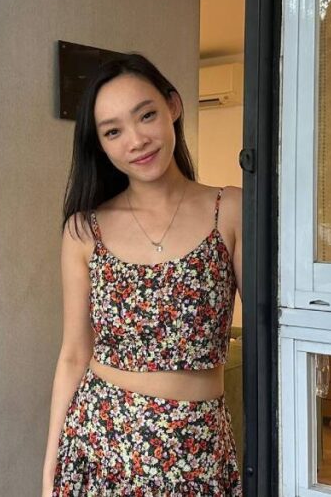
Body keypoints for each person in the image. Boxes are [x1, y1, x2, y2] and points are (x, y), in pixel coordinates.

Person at [41, 54, 243, 496]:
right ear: (100, 144)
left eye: (146, 115)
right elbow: (74, 354)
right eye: (113, 131)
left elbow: (269, 339)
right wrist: (50, 471)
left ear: (173, 106)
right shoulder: (83, 230)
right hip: (98, 444)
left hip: (196, 451)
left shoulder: (230, 209)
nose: (136, 140)